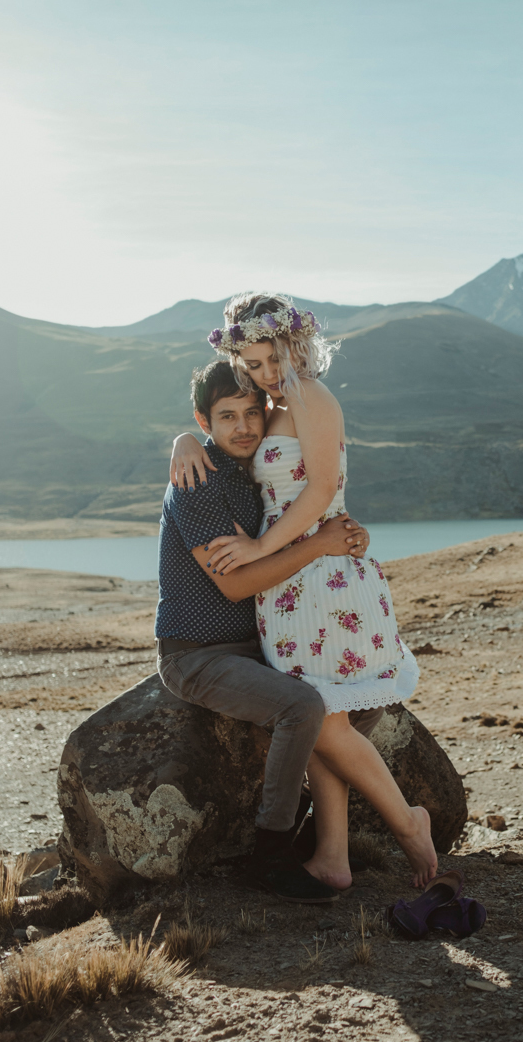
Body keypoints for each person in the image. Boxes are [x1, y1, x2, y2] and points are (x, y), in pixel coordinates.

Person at [170, 292, 438, 890]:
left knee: (328, 725)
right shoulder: (274, 403)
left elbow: (319, 494)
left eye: (273, 358)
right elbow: (223, 433)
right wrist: (181, 442)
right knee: (323, 720)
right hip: (292, 586)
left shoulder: (312, 396)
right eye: (254, 365)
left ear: (296, 341)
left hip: (322, 582)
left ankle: (407, 822)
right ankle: (334, 860)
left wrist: (263, 549)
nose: (266, 374)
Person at [157, 358, 377, 904]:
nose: (244, 427)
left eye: (252, 412)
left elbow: (310, 503)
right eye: (226, 416)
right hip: (198, 654)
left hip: (261, 645)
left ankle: (314, 832)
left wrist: (345, 536)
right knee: (302, 707)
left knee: (359, 699)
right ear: (204, 420)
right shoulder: (196, 480)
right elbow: (236, 586)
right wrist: (318, 546)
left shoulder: (261, 471)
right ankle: (268, 853)